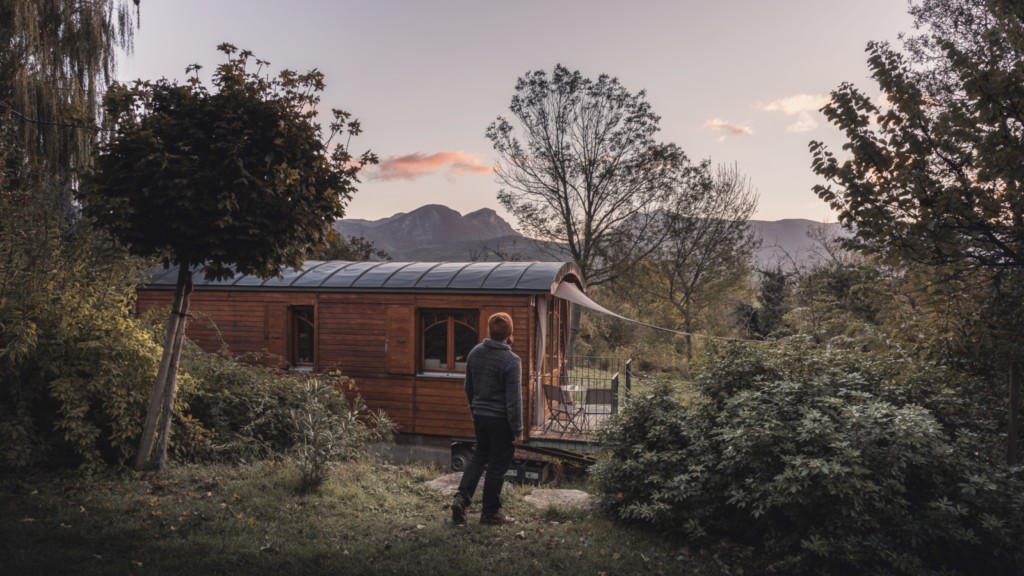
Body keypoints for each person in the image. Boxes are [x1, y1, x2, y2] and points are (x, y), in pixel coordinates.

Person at [450, 312, 522, 525]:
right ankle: (490, 512)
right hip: (501, 420)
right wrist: (517, 430)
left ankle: (461, 498)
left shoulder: (475, 352)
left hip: (480, 415)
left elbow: (468, 386)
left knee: (480, 456)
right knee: (498, 464)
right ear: (510, 334)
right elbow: (514, 400)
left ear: (489, 331)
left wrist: (474, 408)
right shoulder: (512, 360)